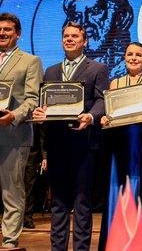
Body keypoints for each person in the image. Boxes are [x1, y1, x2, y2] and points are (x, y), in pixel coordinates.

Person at [32, 21, 109, 251]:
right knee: (58, 203)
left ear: (84, 41)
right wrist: (40, 112)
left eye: (75, 36)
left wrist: (91, 116)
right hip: (57, 144)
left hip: (84, 143)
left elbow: (102, 100)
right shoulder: (51, 70)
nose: (69, 39)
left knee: (82, 201)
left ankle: (81, 249)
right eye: (66, 35)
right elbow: (46, 103)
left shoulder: (97, 68)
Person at [98, 42, 142, 251]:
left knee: (141, 190)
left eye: (138, 55)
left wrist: (137, 107)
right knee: (117, 189)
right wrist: (105, 118)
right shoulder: (116, 83)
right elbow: (110, 114)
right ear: (124, 57)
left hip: (141, 146)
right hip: (118, 146)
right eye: (129, 54)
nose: (133, 57)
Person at [0, 12, 43, 249]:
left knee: (11, 190)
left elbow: (32, 99)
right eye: (0, 29)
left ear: (18, 34)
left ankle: (9, 241)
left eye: (7, 30)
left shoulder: (30, 61)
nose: (2, 33)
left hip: (13, 133)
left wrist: (14, 116)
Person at [63, 0, 134, 80]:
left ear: (119, 17)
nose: (85, 22)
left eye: (95, 12)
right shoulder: (67, 74)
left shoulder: (135, 70)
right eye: (77, 16)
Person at [23, 123, 47, 229]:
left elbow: (42, 137)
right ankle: (11, 218)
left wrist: (44, 157)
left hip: (32, 155)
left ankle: (27, 217)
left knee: (29, 187)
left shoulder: (35, 112)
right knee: (10, 187)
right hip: (11, 154)